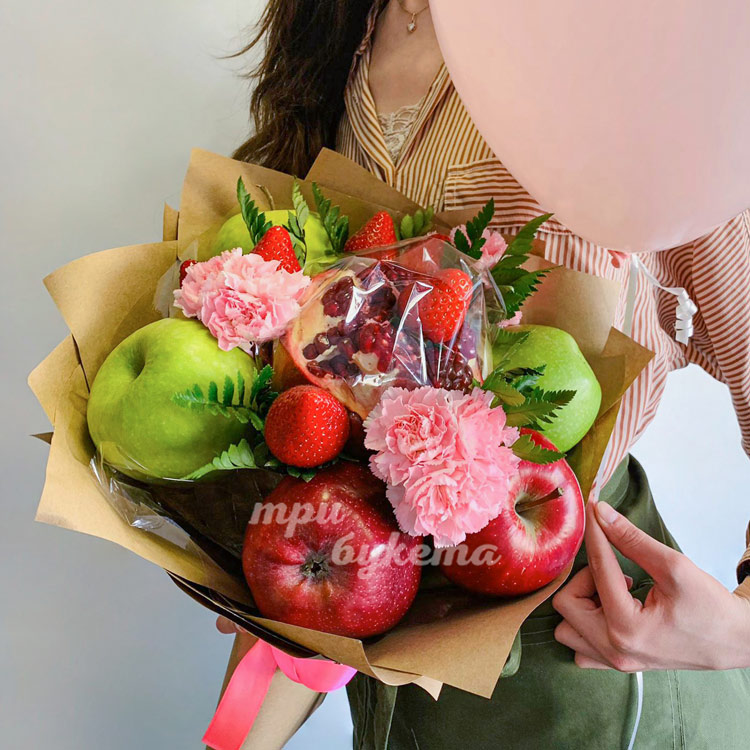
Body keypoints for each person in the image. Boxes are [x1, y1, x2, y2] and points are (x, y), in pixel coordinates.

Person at [219, 1, 750, 747]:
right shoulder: (341, 22)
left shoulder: (626, 35)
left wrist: (742, 627)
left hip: (576, 656)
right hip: (376, 623)